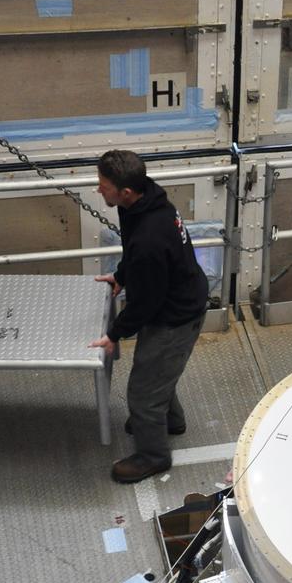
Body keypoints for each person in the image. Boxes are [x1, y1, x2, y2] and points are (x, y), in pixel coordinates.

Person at [89, 149, 208, 483]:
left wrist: (113, 335)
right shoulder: (144, 202)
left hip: (175, 317)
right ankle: (171, 421)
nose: (99, 191)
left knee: (142, 393)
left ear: (125, 191)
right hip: (180, 298)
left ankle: (154, 456)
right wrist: (122, 275)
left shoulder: (150, 237)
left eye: (103, 186)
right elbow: (135, 255)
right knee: (158, 375)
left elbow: (144, 304)